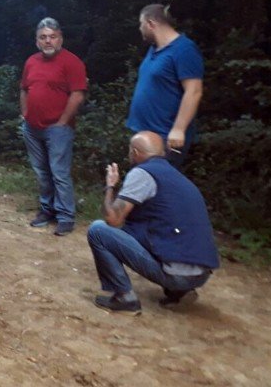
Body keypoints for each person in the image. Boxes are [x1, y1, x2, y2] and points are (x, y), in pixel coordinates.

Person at [88, 131, 219, 315]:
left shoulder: (143, 173)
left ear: (134, 152)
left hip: (177, 275)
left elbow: (113, 218)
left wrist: (110, 186)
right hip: (202, 274)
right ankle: (180, 292)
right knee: (145, 230)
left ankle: (124, 297)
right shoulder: (177, 178)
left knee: (98, 230)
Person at [20, 17, 87, 236]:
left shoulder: (72, 62)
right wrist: (24, 114)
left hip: (58, 128)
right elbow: (24, 89)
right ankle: (46, 210)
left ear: (60, 38)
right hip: (32, 127)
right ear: (37, 41)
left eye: (52, 37)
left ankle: (65, 216)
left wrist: (63, 122)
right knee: (41, 172)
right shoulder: (31, 61)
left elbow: (77, 95)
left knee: (59, 172)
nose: (48, 41)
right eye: (43, 37)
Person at [126, 4, 204, 169]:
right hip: (144, 132)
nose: (140, 29)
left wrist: (179, 128)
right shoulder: (155, 50)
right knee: (143, 187)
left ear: (151, 23)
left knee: (157, 187)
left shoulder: (184, 49)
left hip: (164, 135)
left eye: (141, 24)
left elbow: (194, 90)